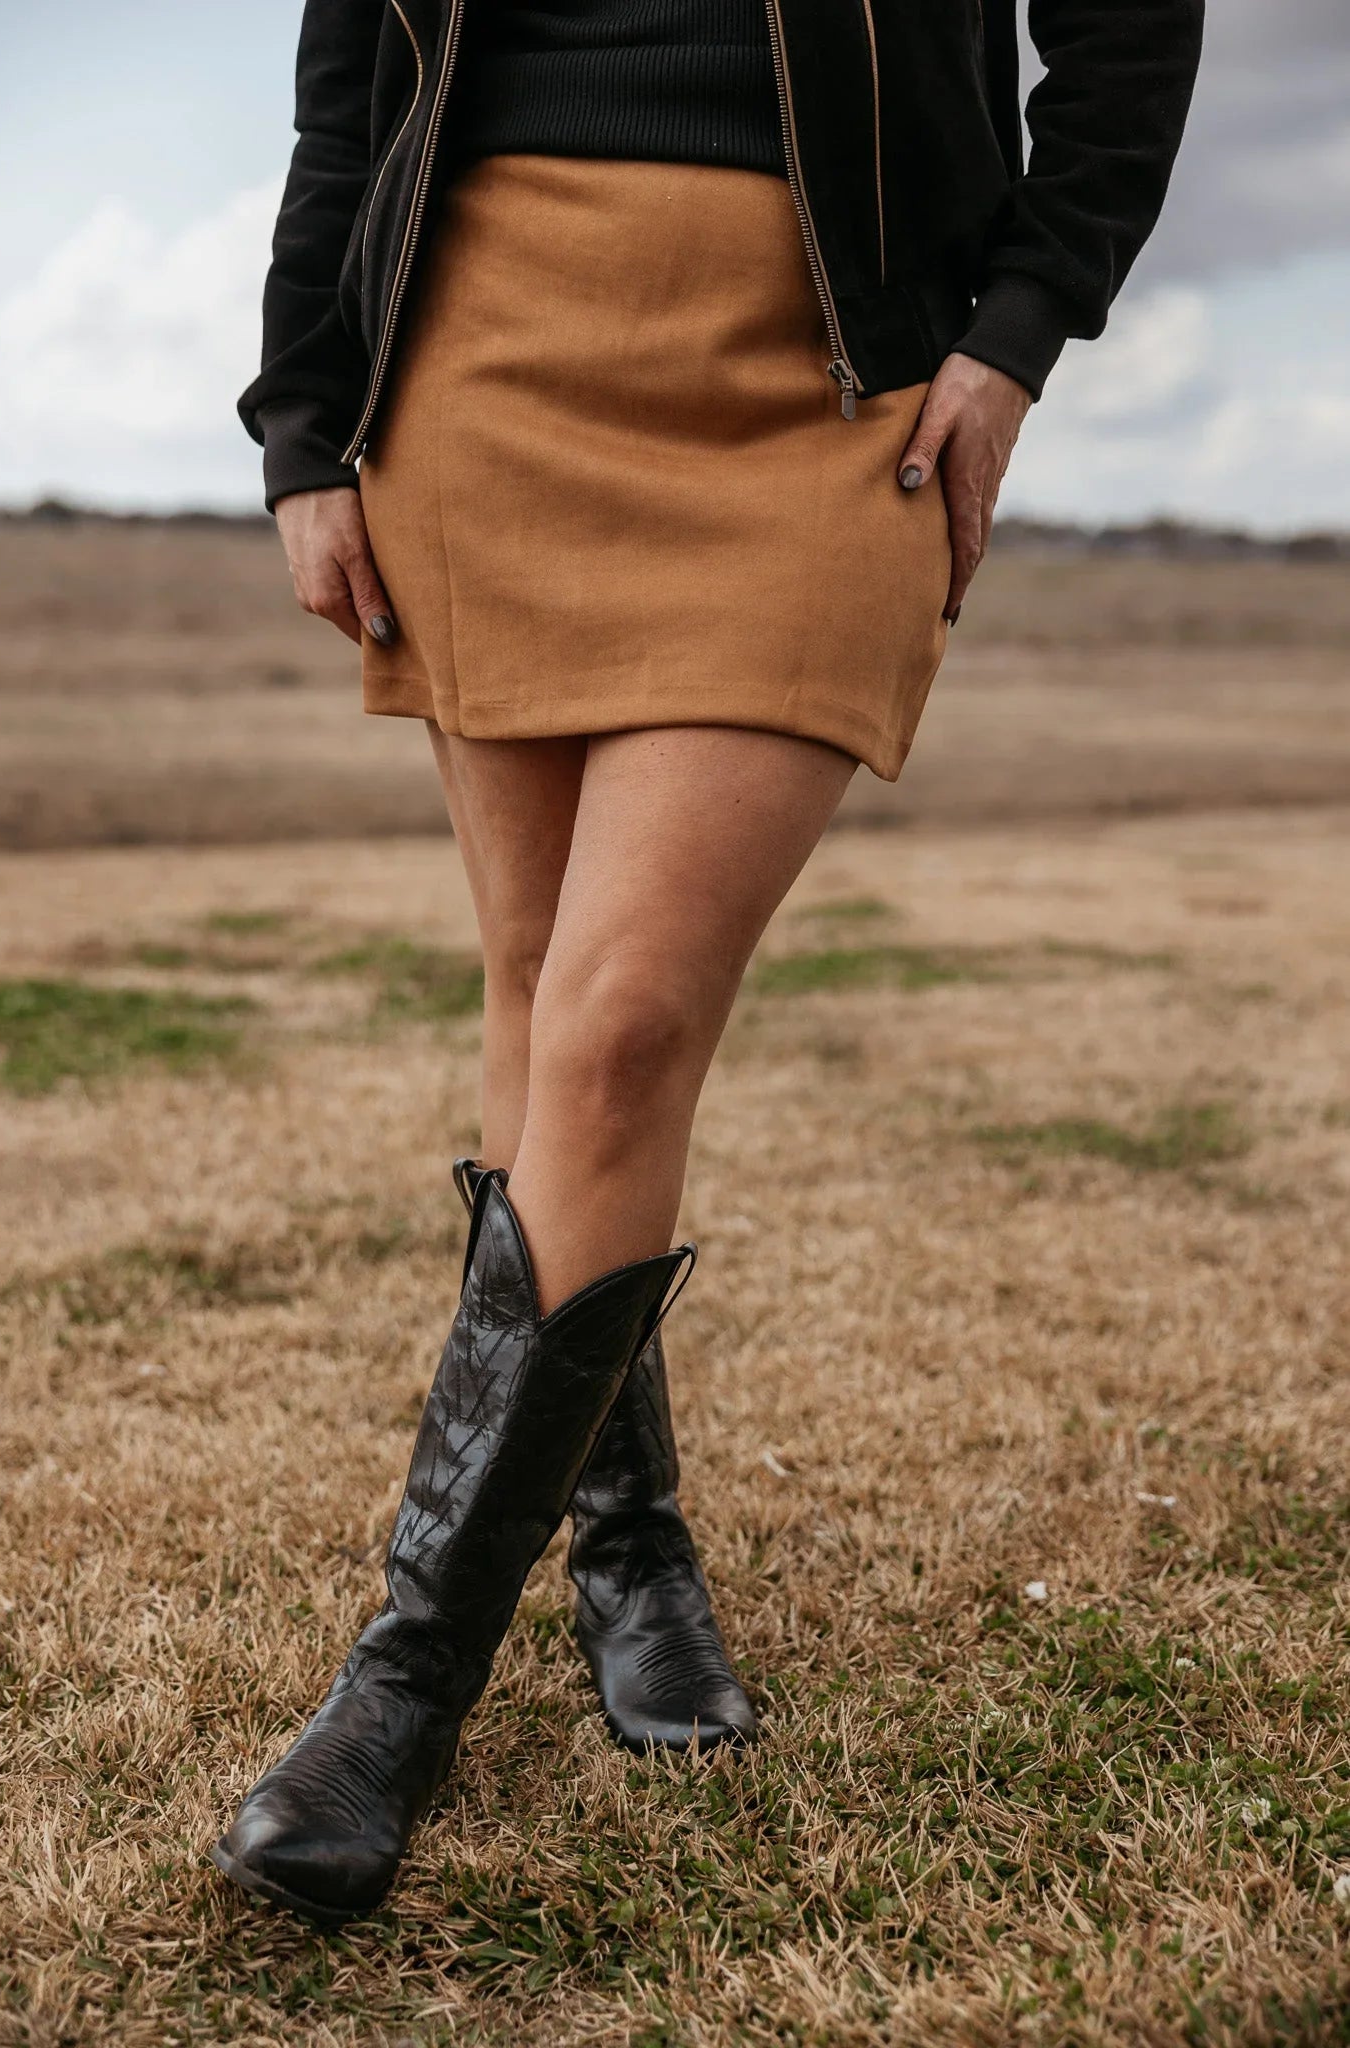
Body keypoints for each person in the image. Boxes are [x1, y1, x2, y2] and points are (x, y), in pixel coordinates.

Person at [213, 0, 1204, 1927]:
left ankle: (407, 1678)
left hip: (828, 386)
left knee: (622, 1021)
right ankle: (629, 1545)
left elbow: (1126, 34)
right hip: (481, 354)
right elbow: (354, 75)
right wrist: (304, 416)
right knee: (536, 988)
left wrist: (1012, 339)